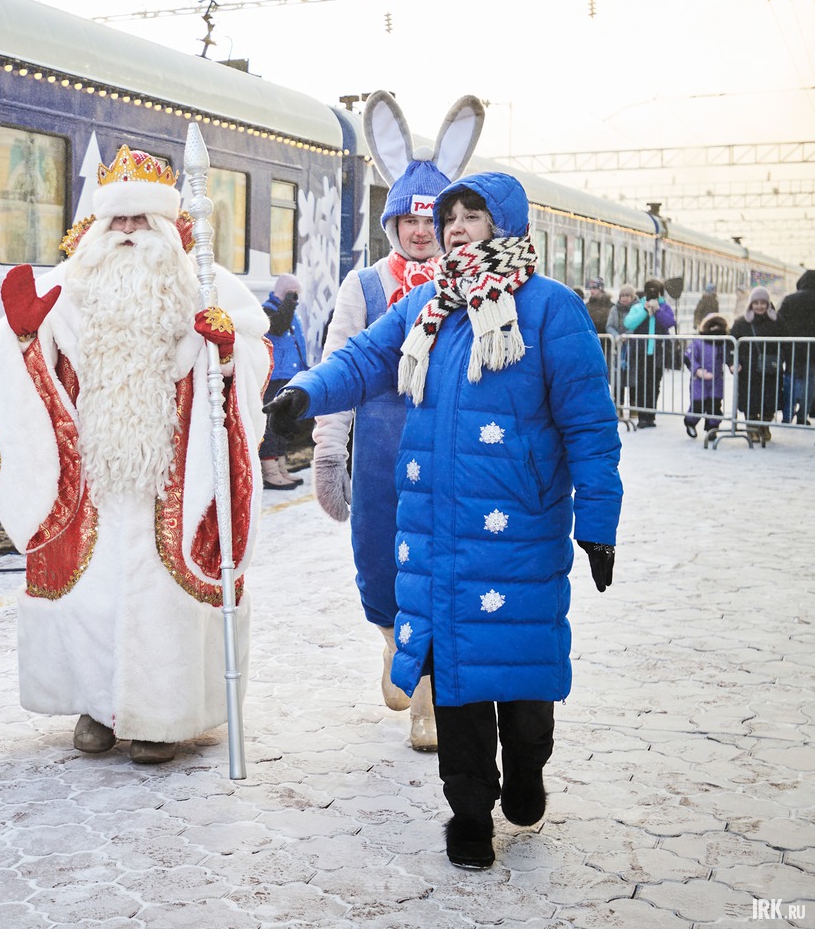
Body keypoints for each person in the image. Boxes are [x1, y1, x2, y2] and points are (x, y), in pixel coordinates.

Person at [266, 171, 622, 870]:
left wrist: (598, 522)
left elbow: (589, 424)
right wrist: (303, 394)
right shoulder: (425, 305)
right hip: (435, 532)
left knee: (520, 688)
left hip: (516, 531)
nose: (453, 227)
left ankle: (525, 769)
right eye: (447, 217)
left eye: (471, 215)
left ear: (506, 224)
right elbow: (364, 358)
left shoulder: (551, 310)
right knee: (452, 678)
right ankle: (467, 814)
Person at [0, 145, 269, 766]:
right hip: (90, 481)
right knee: (90, 595)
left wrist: (227, 350)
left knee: (164, 600)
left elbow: (249, 370)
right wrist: (25, 339)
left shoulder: (206, 288)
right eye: (118, 222)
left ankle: (162, 716)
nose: (129, 233)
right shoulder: (65, 289)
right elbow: (13, 385)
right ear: (98, 228)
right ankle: (95, 706)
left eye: (142, 222)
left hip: (174, 479)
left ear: (166, 227)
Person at [311, 90, 485, 752]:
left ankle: (427, 699)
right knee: (381, 568)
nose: (419, 231)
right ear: (391, 224)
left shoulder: (476, 289)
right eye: (408, 220)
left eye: (430, 219)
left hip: (447, 447)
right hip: (382, 450)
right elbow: (339, 370)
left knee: (438, 568)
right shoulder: (363, 288)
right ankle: (390, 644)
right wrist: (329, 453)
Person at [260, 273, 307, 490]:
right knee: (271, 424)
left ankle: (281, 467)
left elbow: (297, 342)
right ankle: (269, 471)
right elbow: (278, 327)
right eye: (294, 294)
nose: (296, 300)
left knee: (283, 423)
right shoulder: (267, 310)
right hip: (274, 377)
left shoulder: (289, 311)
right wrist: (289, 300)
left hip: (289, 375)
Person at [730, 286, 785, 444]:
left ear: (768, 304)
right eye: (756, 303)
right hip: (749, 370)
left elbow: (787, 343)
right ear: (750, 304)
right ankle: (752, 427)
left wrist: (785, 360)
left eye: (763, 303)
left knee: (770, 400)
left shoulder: (777, 321)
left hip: (771, 369)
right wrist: (732, 363)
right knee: (751, 400)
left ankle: (765, 425)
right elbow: (731, 345)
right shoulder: (742, 323)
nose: (760, 306)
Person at [621, 277, 676, 428]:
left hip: (658, 352)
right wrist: (645, 311)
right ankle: (642, 416)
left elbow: (670, 322)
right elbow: (629, 323)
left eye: (656, 293)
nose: (653, 296)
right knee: (641, 384)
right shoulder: (639, 307)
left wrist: (657, 310)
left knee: (654, 384)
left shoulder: (664, 307)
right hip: (640, 352)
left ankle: (651, 415)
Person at [775, 269, 815, 425]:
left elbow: (779, 321)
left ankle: (787, 415)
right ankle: (802, 416)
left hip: (793, 348)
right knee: (810, 383)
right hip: (813, 350)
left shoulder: (789, 299)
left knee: (791, 380)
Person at [684, 313, 730, 444]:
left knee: (715, 405)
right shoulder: (698, 342)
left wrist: (733, 364)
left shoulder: (723, 343)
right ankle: (690, 422)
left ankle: (712, 429)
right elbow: (689, 357)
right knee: (698, 405)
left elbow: (729, 356)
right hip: (699, 381)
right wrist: (697, 370)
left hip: (716, 381)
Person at [604, 283, 637, 417]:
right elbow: (610, 325)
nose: (624, 298)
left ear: (632, 296)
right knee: (619, 380)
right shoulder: (614, 309)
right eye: (622, 295)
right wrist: (617, 337)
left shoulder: (637, 308)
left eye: (627, 295)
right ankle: (619, 407)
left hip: (632, 349)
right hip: (618, 348)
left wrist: (628, 335)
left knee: (633, 379)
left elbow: (637, 323)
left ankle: (634, 408)